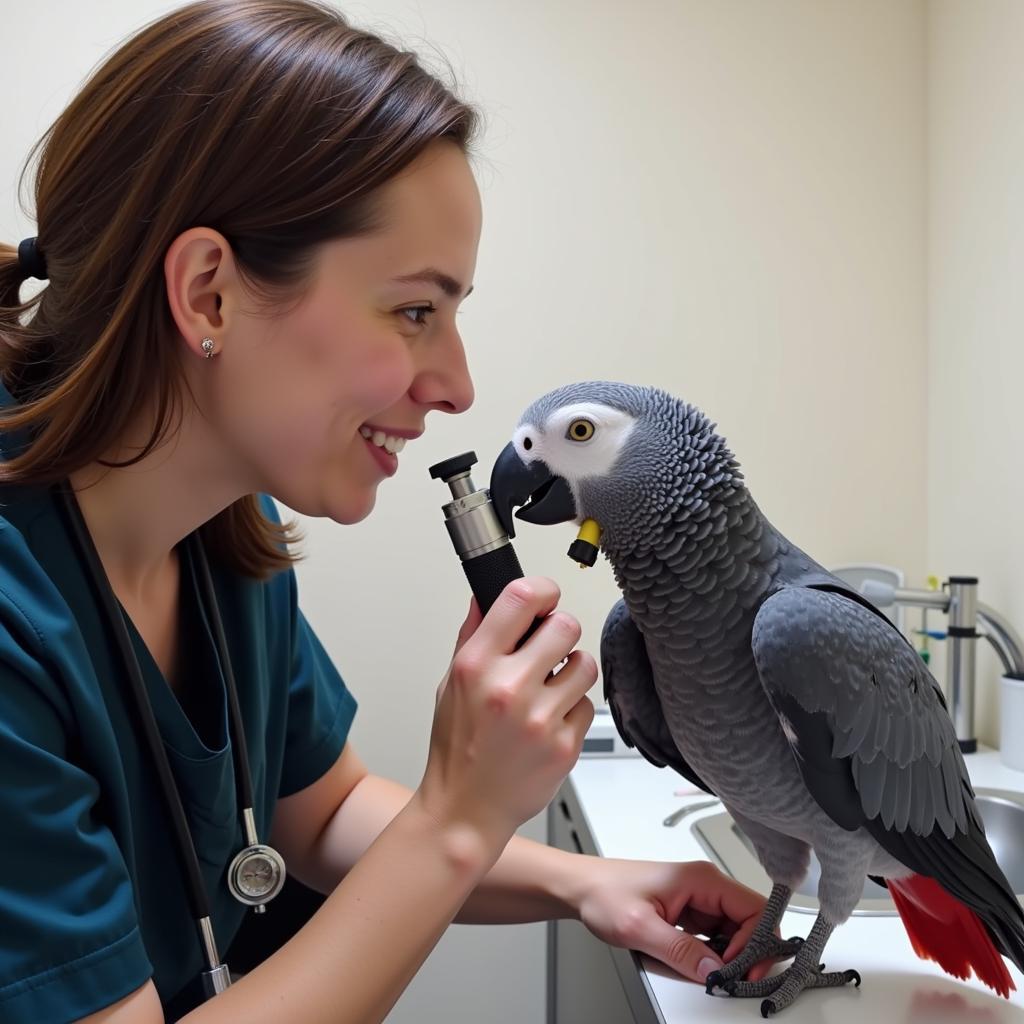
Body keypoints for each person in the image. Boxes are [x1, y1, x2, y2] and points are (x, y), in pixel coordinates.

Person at [0, 2, 773, 1021]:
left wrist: (586, 881)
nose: (456, 385)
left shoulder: (223, 525)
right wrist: (459, 815)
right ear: (208, 295)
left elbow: (318, 814)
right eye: (415, 310)